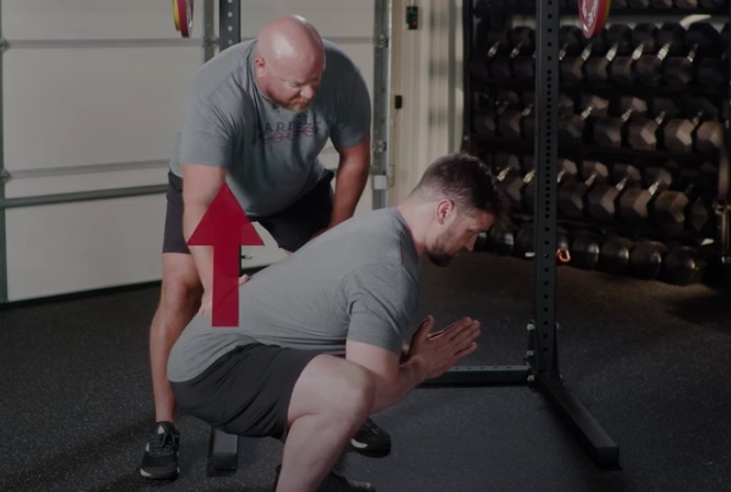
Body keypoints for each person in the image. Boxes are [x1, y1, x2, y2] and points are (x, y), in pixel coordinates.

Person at [139, 14, 387, 480]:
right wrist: (218, 289)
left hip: (296, 188)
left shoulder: (341, 75)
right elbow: (202, 200)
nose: (310, 94)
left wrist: (331, 236)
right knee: (184, 290)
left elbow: (355, 159)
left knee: (329, 289)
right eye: (297, 85)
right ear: (260, 67)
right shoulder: (217, 91)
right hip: (222, 193)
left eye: (315, 81)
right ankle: (165, 426)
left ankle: (340, 400)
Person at [167, 152, 505, 491]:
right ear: (444, 211)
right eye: (472, 230)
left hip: (227, 349)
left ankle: (315, 476)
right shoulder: (388, 267)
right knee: (350, 391)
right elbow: (375, 393)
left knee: (360, 368)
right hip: (212, 369)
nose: (471, 245)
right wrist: (421, 366)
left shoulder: (383, 224)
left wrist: (401, 351)